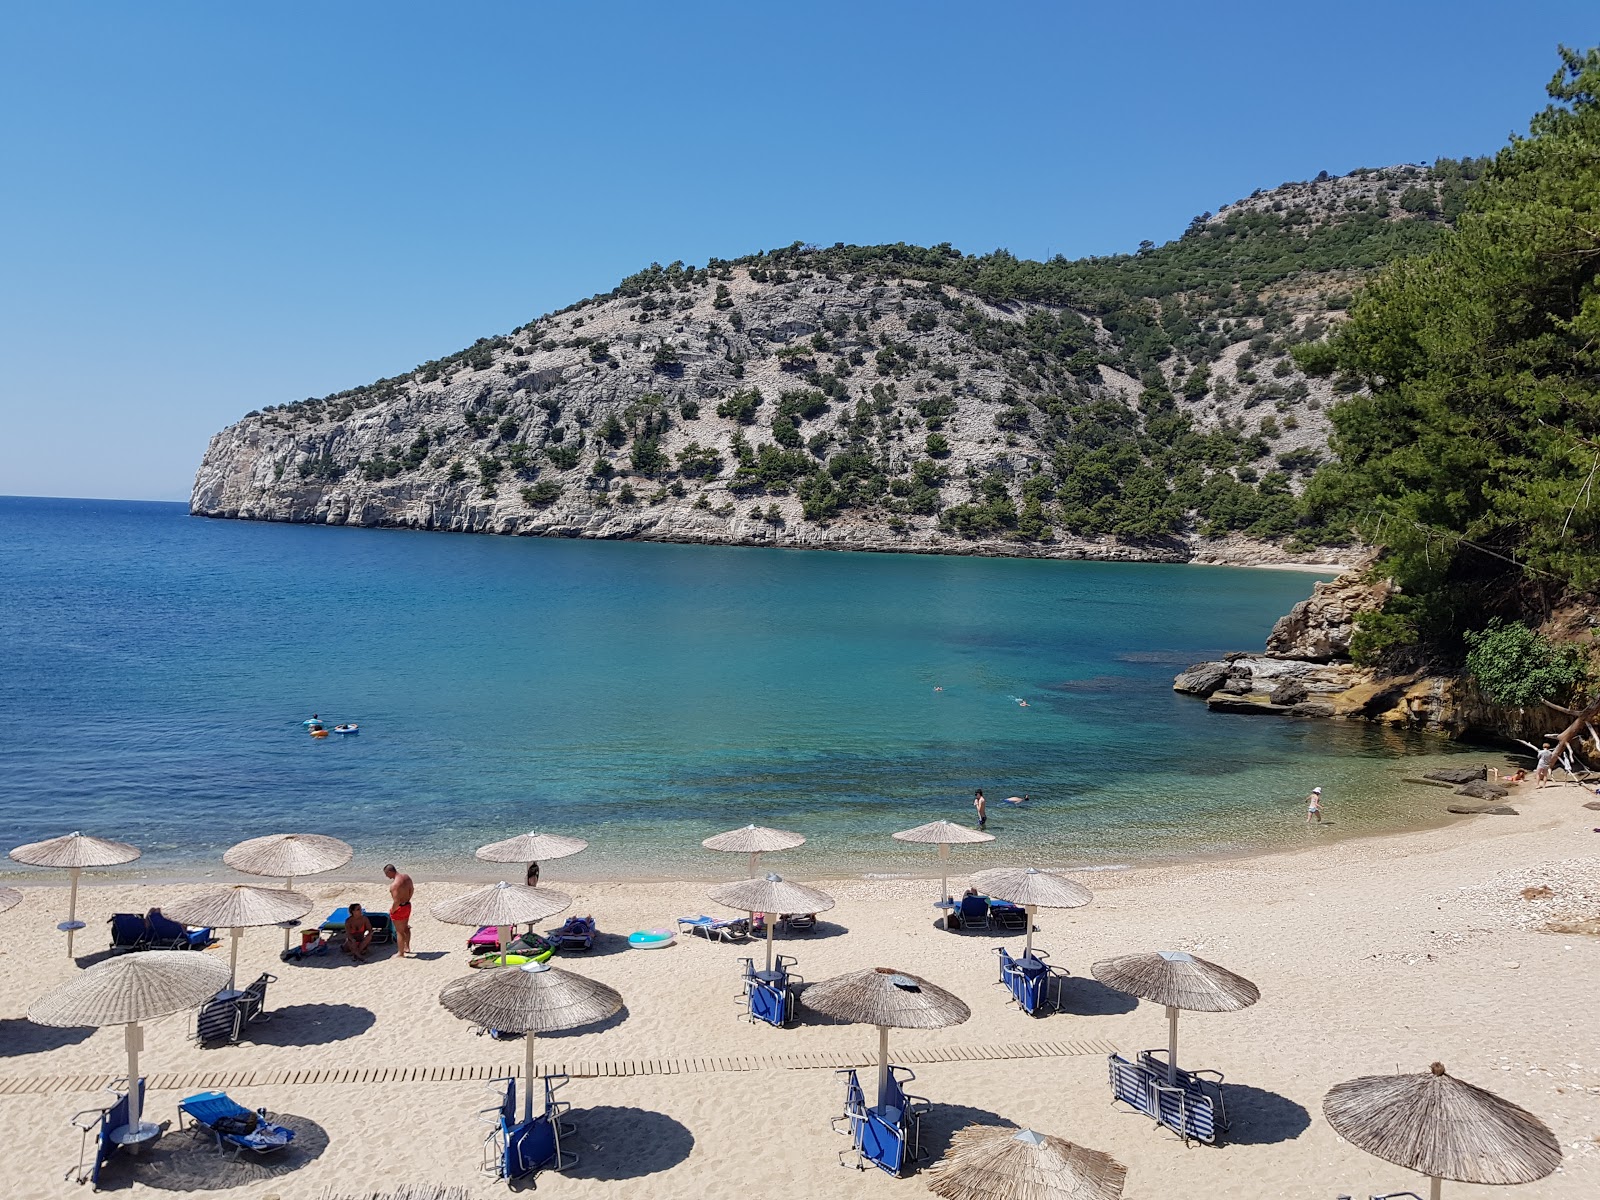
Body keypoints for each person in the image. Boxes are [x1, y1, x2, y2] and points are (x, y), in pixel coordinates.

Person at [383, 864, 414, 958]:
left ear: (390, 872)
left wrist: (392, 910)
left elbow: (396, 901)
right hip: (407, 905)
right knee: (406, 927)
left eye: (386, 874)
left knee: (399, 931)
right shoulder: (406, 877)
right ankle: (407, 947)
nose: (386, 876)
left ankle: (401, 953)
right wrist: (408, 899)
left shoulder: (395, 885)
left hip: (400, 908)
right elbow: (411, 889)